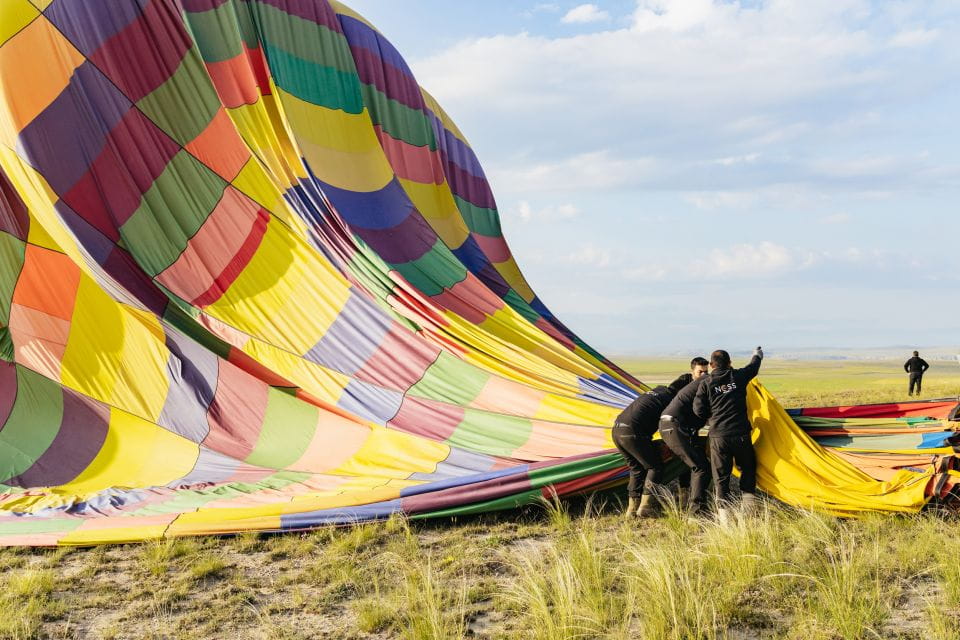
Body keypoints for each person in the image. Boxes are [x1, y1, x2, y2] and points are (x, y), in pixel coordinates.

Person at [693, 347, 763, 518]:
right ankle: (749, 510)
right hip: (740, 434)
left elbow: (698, 410)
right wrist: (757, 355)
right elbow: (753, 367)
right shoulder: (737, 376)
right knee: (748, 467)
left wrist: (712, 417)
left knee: (721, 477)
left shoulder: (706, 383)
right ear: (730, 363)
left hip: (719, 437)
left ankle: (725, 519)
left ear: (711, 365)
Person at [613, 374, 692, 517]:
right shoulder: (671, 401)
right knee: (655, 467)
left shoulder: (658, 391)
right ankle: (645, 507)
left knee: (636, 469)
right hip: (634, 434)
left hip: (617, 430)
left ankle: (631, 509)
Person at [658, 357, 711, 514]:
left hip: (690, 428)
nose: (703, 375)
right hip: (677, 426)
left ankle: (688, 497)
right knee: (697, 465)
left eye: (706, 371)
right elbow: (669, 396)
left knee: (693, 462)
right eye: (700, 372)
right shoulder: (683, 382)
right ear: (692, 371)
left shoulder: (706, 383)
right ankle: (688, 500)